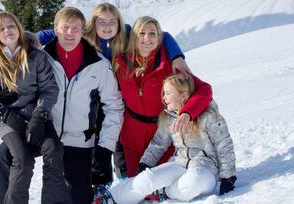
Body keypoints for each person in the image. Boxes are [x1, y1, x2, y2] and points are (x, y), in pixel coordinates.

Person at [38, 2, 190, 185]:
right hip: (94, 96)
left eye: (112, 22)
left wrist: (177, 55)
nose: (108, 27)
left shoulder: (126, 34)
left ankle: (124, 177)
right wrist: (32, 39)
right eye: (102, 22)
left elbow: (161, 35)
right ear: (93, 24)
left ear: (119, 23)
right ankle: (98, 180)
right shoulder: (85, 34)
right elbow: (51, 33)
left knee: (118, 138)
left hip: (121, 95)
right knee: (96, 138)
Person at [0, 7, 125, 204]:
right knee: (4, 155)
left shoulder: (99, 64)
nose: (70, 33)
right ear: (55, 29)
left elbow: (114, 107)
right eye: (65, 28)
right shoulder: (40, 58)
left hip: (78, 141)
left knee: (76, 198)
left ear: (83, 31)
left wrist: (105, 148)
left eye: (76, 28)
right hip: (44, 133)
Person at [0, 12, 70, 204]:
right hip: (9, 120)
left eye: (11, 26)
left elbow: (49, 89)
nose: (7, 31)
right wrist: (4, 114)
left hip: (36, 116)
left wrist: (40, 115)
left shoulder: (36, 55)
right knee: (23, 160)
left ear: (18, 27)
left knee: (54, 148)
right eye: (2, 28)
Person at [93, 74, 236, 203]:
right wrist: (145, 163)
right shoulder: (169, 117)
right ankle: (111, 198)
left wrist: (227, 177)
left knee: (194, 181)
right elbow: (158, 144)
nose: (164, 98)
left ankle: (164, 192)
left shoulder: (208, 116)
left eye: (168, 93)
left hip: (205, 169)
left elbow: (224, 145)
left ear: (183, 95)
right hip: (179, 163)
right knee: (147, 179)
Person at [114, 16, 213, 178]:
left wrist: (187, 113)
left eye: (152, 33)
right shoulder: (121, 64)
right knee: (135, 187)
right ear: (133, 37)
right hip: (131, 139)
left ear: (159, 37)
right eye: (142, 33)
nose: (147, 38)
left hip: (162, 138)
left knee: (160, 187)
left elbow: (204, 90)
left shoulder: (170, 65)